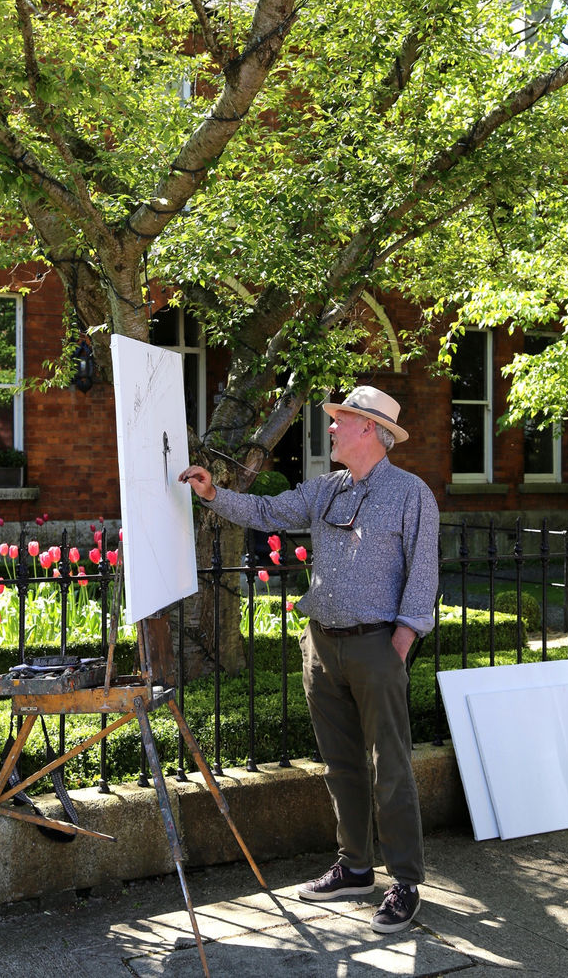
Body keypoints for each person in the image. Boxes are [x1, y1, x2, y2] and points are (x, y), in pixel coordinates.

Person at [179, 384, 439, 934]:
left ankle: (405, 881)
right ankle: (355, 867)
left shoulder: (411, 494)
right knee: (340, 765)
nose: (332, 428)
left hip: (376, 646)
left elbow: (423, 575)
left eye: (341, 420)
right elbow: (268, 510)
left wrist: (399, 644)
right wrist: (213, 494)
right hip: (321, 645)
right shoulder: (325, 488)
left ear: (370, 430)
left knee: (391, 767)